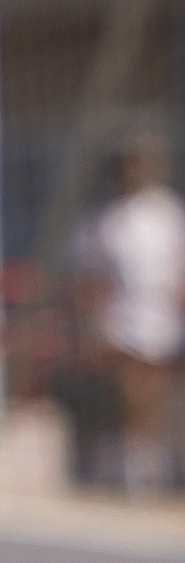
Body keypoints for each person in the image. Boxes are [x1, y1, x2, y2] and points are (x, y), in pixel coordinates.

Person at [80, 131, 185, 491]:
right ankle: (132, 463)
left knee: (155, 392)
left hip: (162, 316)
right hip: (123, 317)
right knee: (129, 392)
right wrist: (95, 320)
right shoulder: (109, 218)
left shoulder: (167, 213)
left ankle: (152, 462)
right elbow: (93, 273)